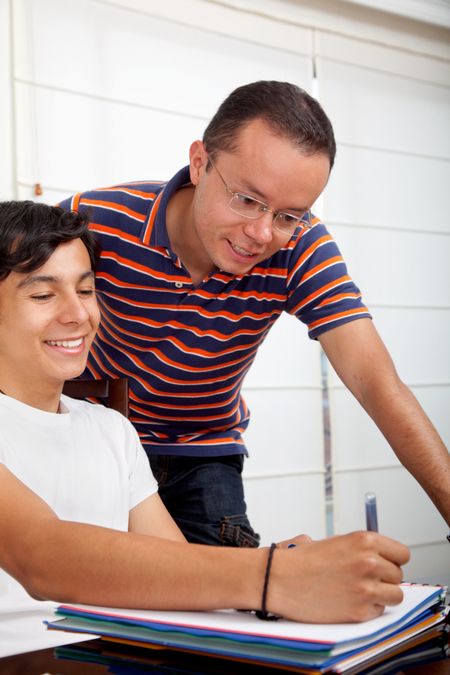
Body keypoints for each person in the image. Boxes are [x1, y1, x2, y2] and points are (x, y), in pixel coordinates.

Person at [0, 200, 411, 656]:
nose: (77, 315)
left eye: (87, 290)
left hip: (118, 658)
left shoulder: (112, 431)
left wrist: (289, 565)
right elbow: (43, 557)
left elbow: (176, 567)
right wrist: (274, 575)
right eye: (43, 294)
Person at [59, 81, 450, 546]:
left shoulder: (302, 246)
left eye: (288, 215)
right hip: (94, 438)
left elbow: (376, 381)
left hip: (205, 451)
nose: (261, 234)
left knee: (228, 606)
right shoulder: (95, 220)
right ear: (201, 163)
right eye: (247, 199)